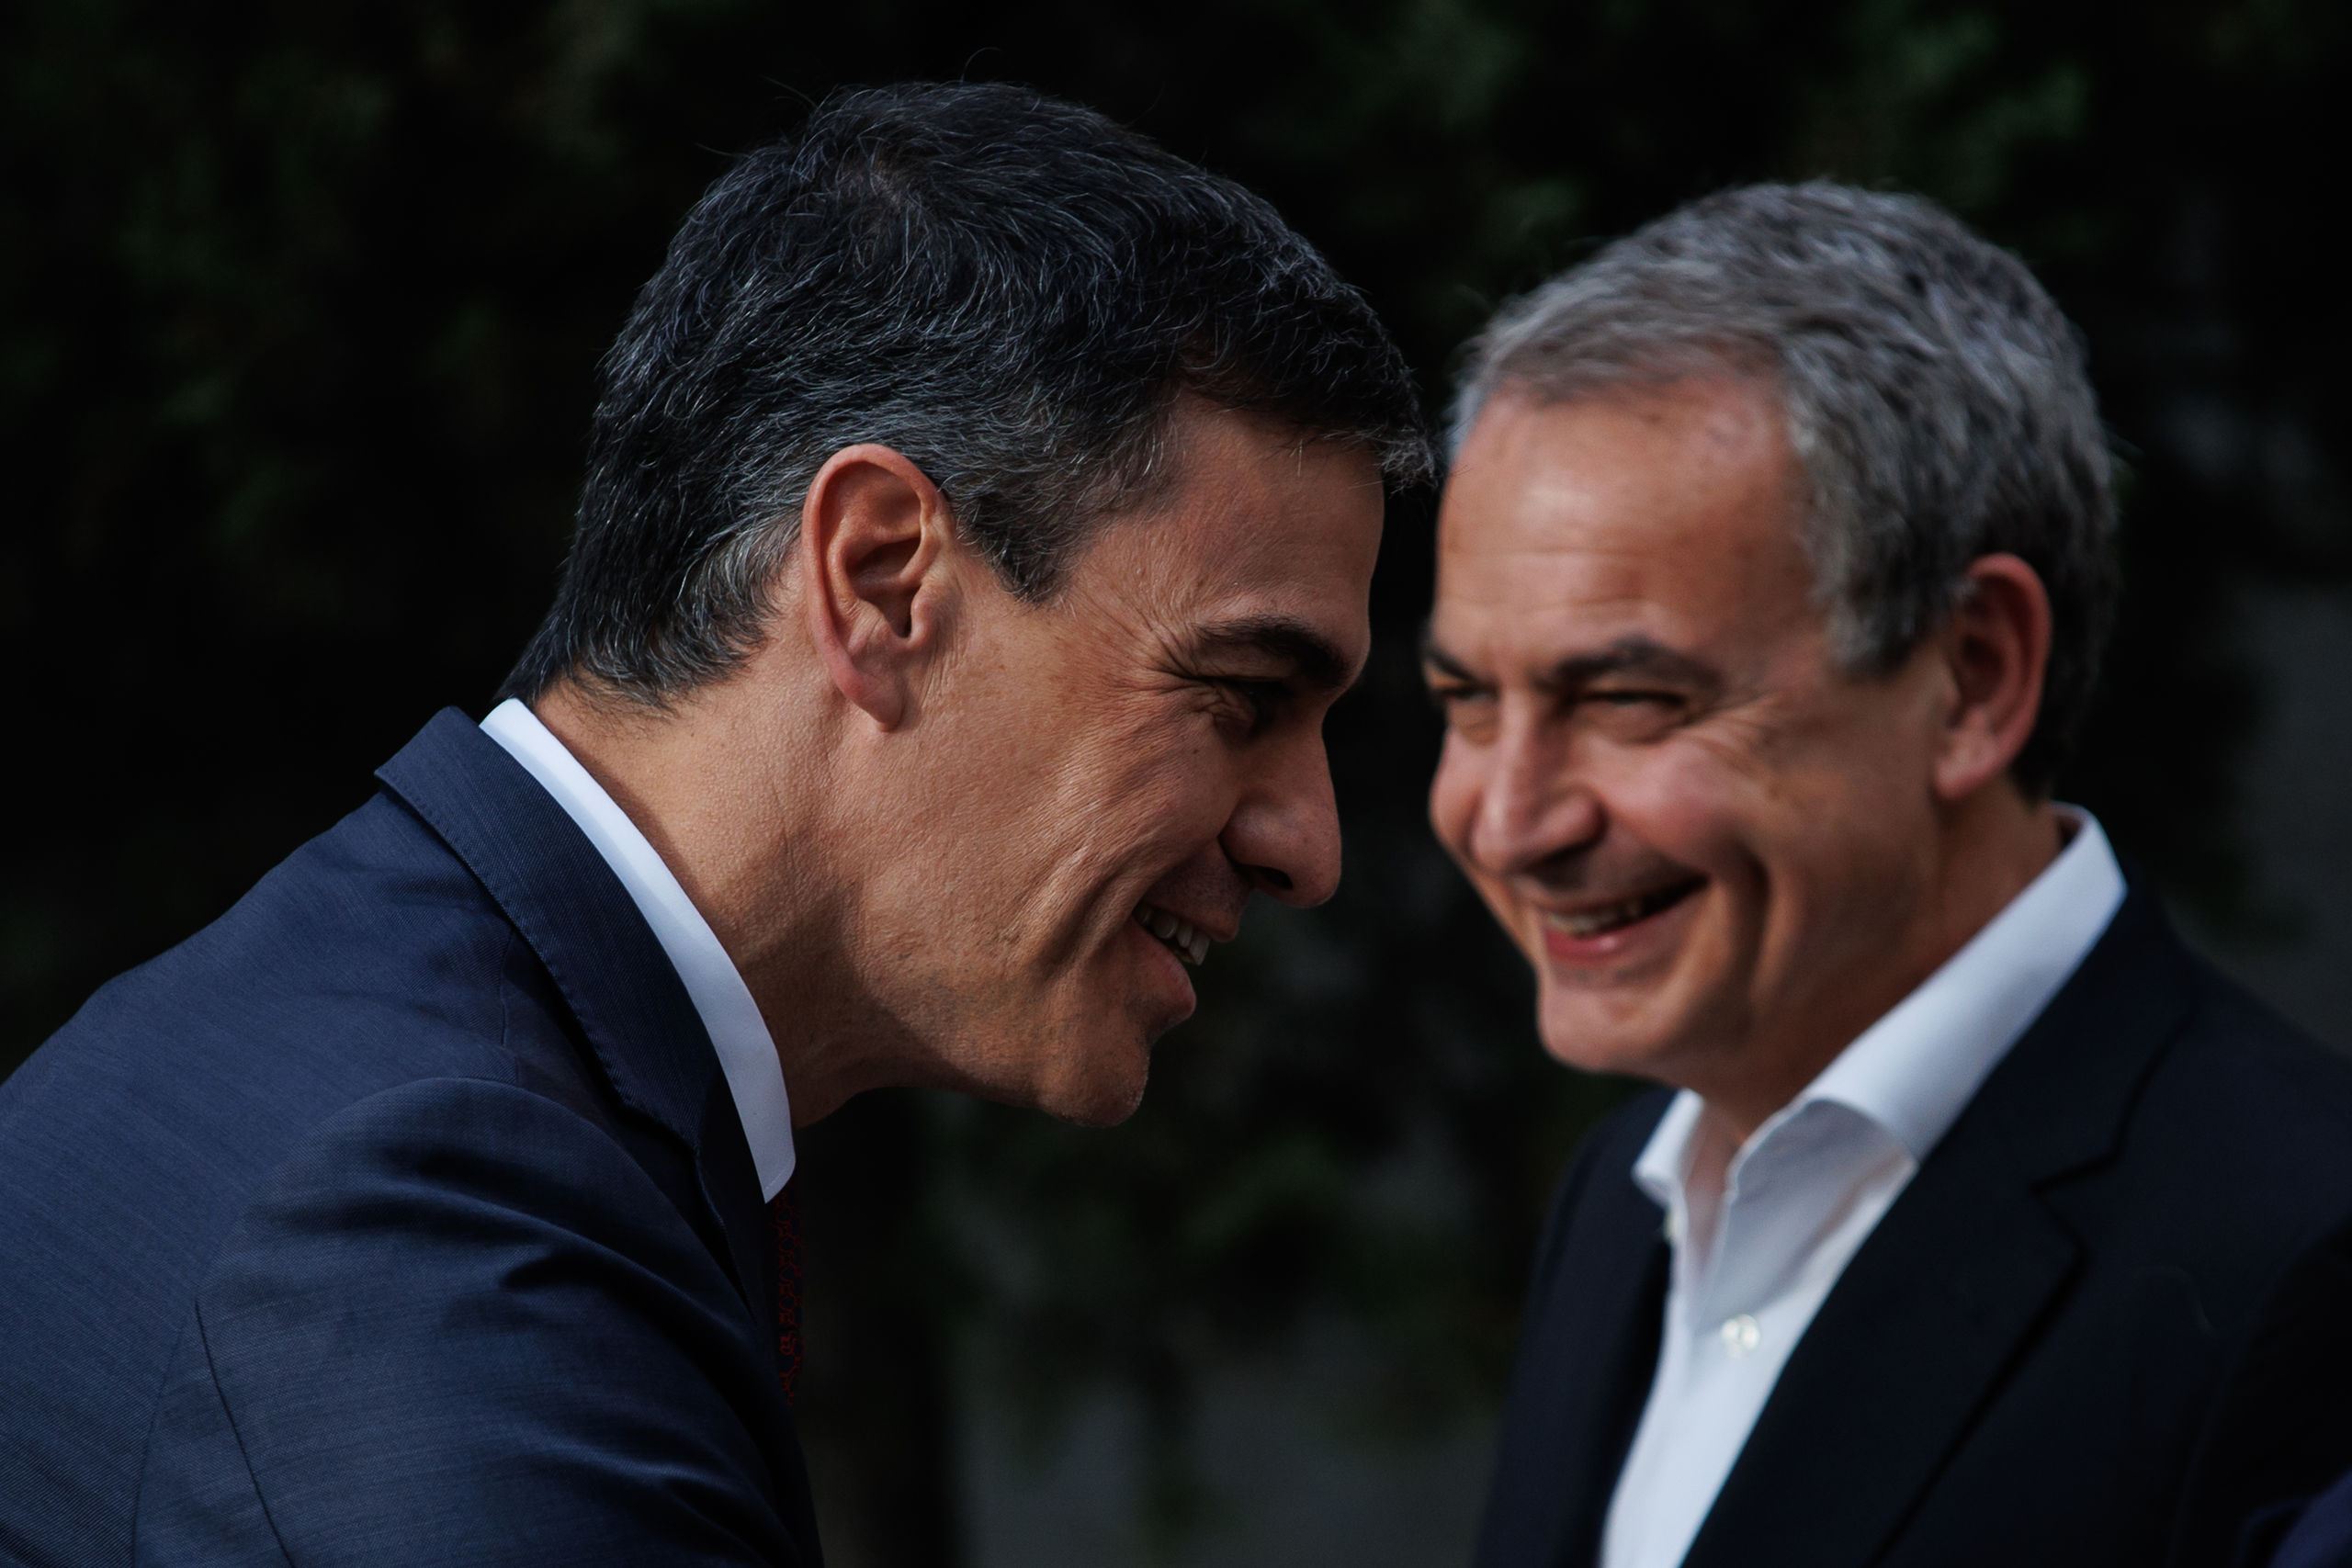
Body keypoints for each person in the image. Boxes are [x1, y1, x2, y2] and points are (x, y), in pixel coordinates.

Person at [0, 82, 1430, 1567]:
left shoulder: (402, 1080)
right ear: (881, 581)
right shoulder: (430, 1223)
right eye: (1243, 694)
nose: (1309, 847)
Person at [1428, 183, 2352, 1568]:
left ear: (1972, 676)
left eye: (1625, 699)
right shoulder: (1626, 1195)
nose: (1509, 821)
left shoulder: (2303, 1259)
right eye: (1467, 701)